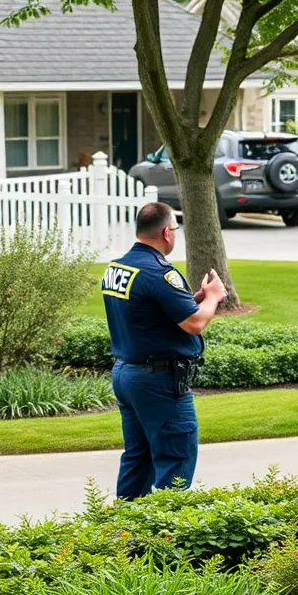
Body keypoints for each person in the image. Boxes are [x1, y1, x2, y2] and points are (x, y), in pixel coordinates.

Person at [101, 202, 227, 499]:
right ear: (166, 232)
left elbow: (147, 312)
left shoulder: (118, 268)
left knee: (138, 457)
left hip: (127, 373)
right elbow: (195, 323)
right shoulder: (159, 273)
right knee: (176, 458)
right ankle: (166, 535)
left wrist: (188, 299)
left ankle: (125, 533)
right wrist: (213, 296)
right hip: (158, 380)